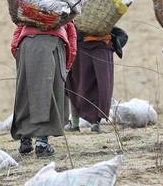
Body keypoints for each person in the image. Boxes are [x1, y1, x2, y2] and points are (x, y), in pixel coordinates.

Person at [10, 20, 77, 157]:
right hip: (53, 46)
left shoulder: (28, 15)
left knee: (26, 93)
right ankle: (42, 143)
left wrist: (18, 55)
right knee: (49, 93)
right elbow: (72, 39)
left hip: (26, 45)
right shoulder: (62, 12)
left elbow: (16, 36)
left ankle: (25, 139)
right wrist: (67, 65)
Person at [66, 27, 128, 133]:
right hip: (96, 48)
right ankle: (90, 124)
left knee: (77, 85)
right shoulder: (103, 22)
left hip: (88, 47)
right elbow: (123, 35)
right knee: (98, 86)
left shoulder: (82, 20)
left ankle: (78, 124)